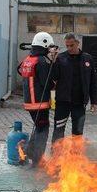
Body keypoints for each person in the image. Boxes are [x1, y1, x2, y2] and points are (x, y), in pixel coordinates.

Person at [51, 33, 97, 143]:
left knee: (77, 132)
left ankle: (76, 157)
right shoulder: (60, 58)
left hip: (80, 102)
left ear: (78, 43)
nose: (69, 48)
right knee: (58, 130)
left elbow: (93, 81)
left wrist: (94, 101)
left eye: (71, 45)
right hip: (63, 101)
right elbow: (54, 77)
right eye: (67, 45)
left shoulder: (87, 59)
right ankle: (56, 157)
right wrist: (53, 62)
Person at [18, 32, 56, 167]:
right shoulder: (41, 61)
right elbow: (47, 82)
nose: (50, 49)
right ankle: (35, 158)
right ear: (44, 44)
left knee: (39, 128)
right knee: (43, 129)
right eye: (49, 47)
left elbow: (19, 70)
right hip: (39, 102)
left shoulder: (28, 59)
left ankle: (27, 152)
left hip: (29, 102)